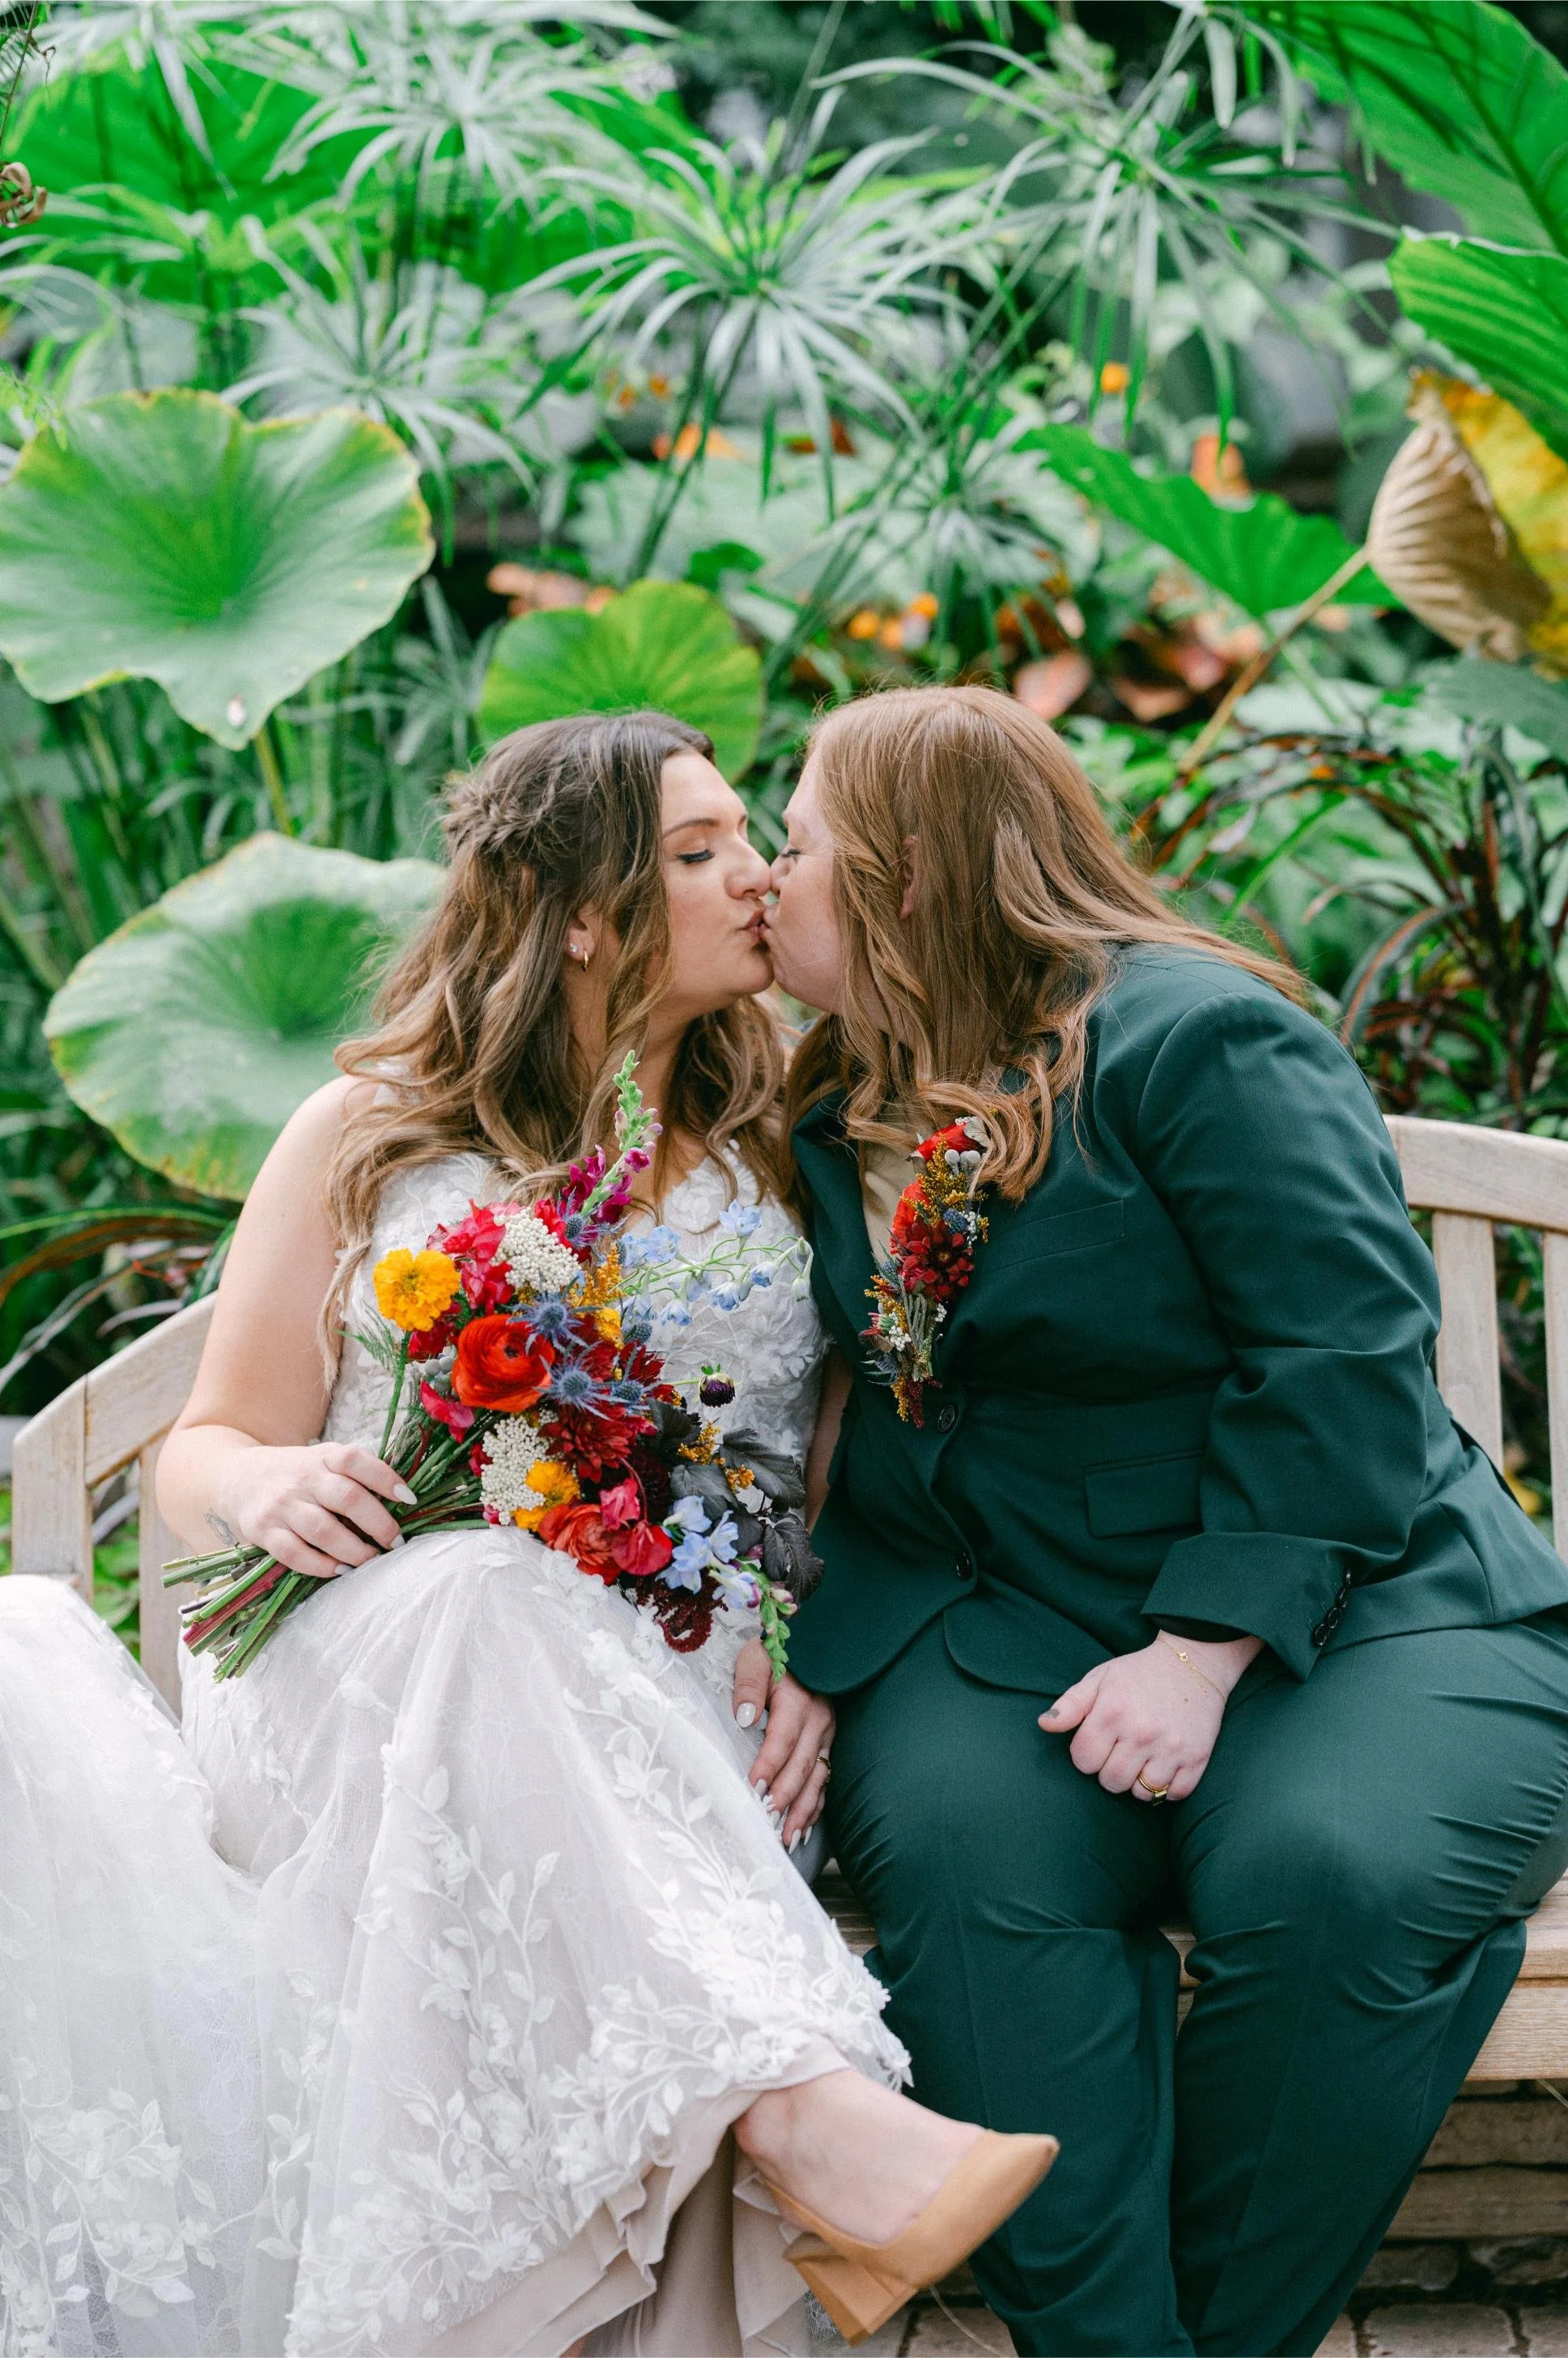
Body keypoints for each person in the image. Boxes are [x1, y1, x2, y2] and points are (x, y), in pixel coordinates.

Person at [0, 709, 1053, 2358]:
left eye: (751, 839)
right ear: (579, 907)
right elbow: (207, 1446)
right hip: (360, 1678)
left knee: (534, 1669)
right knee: (486, 1586)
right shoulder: (366, 1134)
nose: (756, 876)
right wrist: (267, 1485)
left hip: (683, 1710)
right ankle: (801, 2111)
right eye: (699, 851)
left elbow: (847, 1474)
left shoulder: (788, 1128)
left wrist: (816, 1656)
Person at [763, 681, 1568, 2358]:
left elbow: (1342, 1353)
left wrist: (1198, 1651)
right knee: (978, 1878)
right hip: (984, 1620)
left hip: (1360, 1606)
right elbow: (837, 1397)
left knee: (1331, 1867)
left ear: (906, 879)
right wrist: (797, 1653)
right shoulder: (822, 1101)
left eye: (797, 846)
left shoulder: (1194, 1037)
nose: (772, 880)